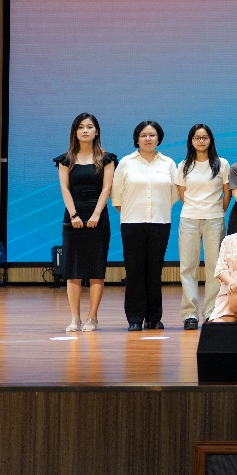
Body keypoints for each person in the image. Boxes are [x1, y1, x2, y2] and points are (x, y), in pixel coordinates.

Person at [54, 113, 116, 332]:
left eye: (89, 127)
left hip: (98, 217)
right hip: (73, 218)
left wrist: (96, 214)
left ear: (96, 131)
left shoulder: (106, 158)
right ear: (75, 132)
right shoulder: (66, 159)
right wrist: (74, 215)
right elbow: (65, 188)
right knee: (73, 270)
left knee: (96, 270)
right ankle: (74, 318)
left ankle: (92, 318)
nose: (85, 130)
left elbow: (107, 187)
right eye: (81, 127)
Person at [114, 121, 179, 331]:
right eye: (143, 135)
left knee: (154, 271)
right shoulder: (126, 162)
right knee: (134, 271)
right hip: (132, 223)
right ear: (137, 139)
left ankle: (153, 318)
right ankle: (134, 318)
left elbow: (174, 194)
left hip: (160, 222)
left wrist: (158, 208)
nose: (148, 138)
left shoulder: (168, 163)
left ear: (159, 138)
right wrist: (134, 212)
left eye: (152, 135)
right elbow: (117, 196)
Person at [174, 123, 232, 330]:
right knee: (187, 267)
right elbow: (183, 195)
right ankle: (190, 314)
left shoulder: (222, 164)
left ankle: (211, 312)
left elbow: (227, 194)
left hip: (214, 218)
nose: (201, 141)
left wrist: (216, 210)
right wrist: (196, 208)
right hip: (189, 219)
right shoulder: (183, 165)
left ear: (210, 140)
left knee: (215, 268)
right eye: (197, 138)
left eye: (204, 137)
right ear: (191, 141)